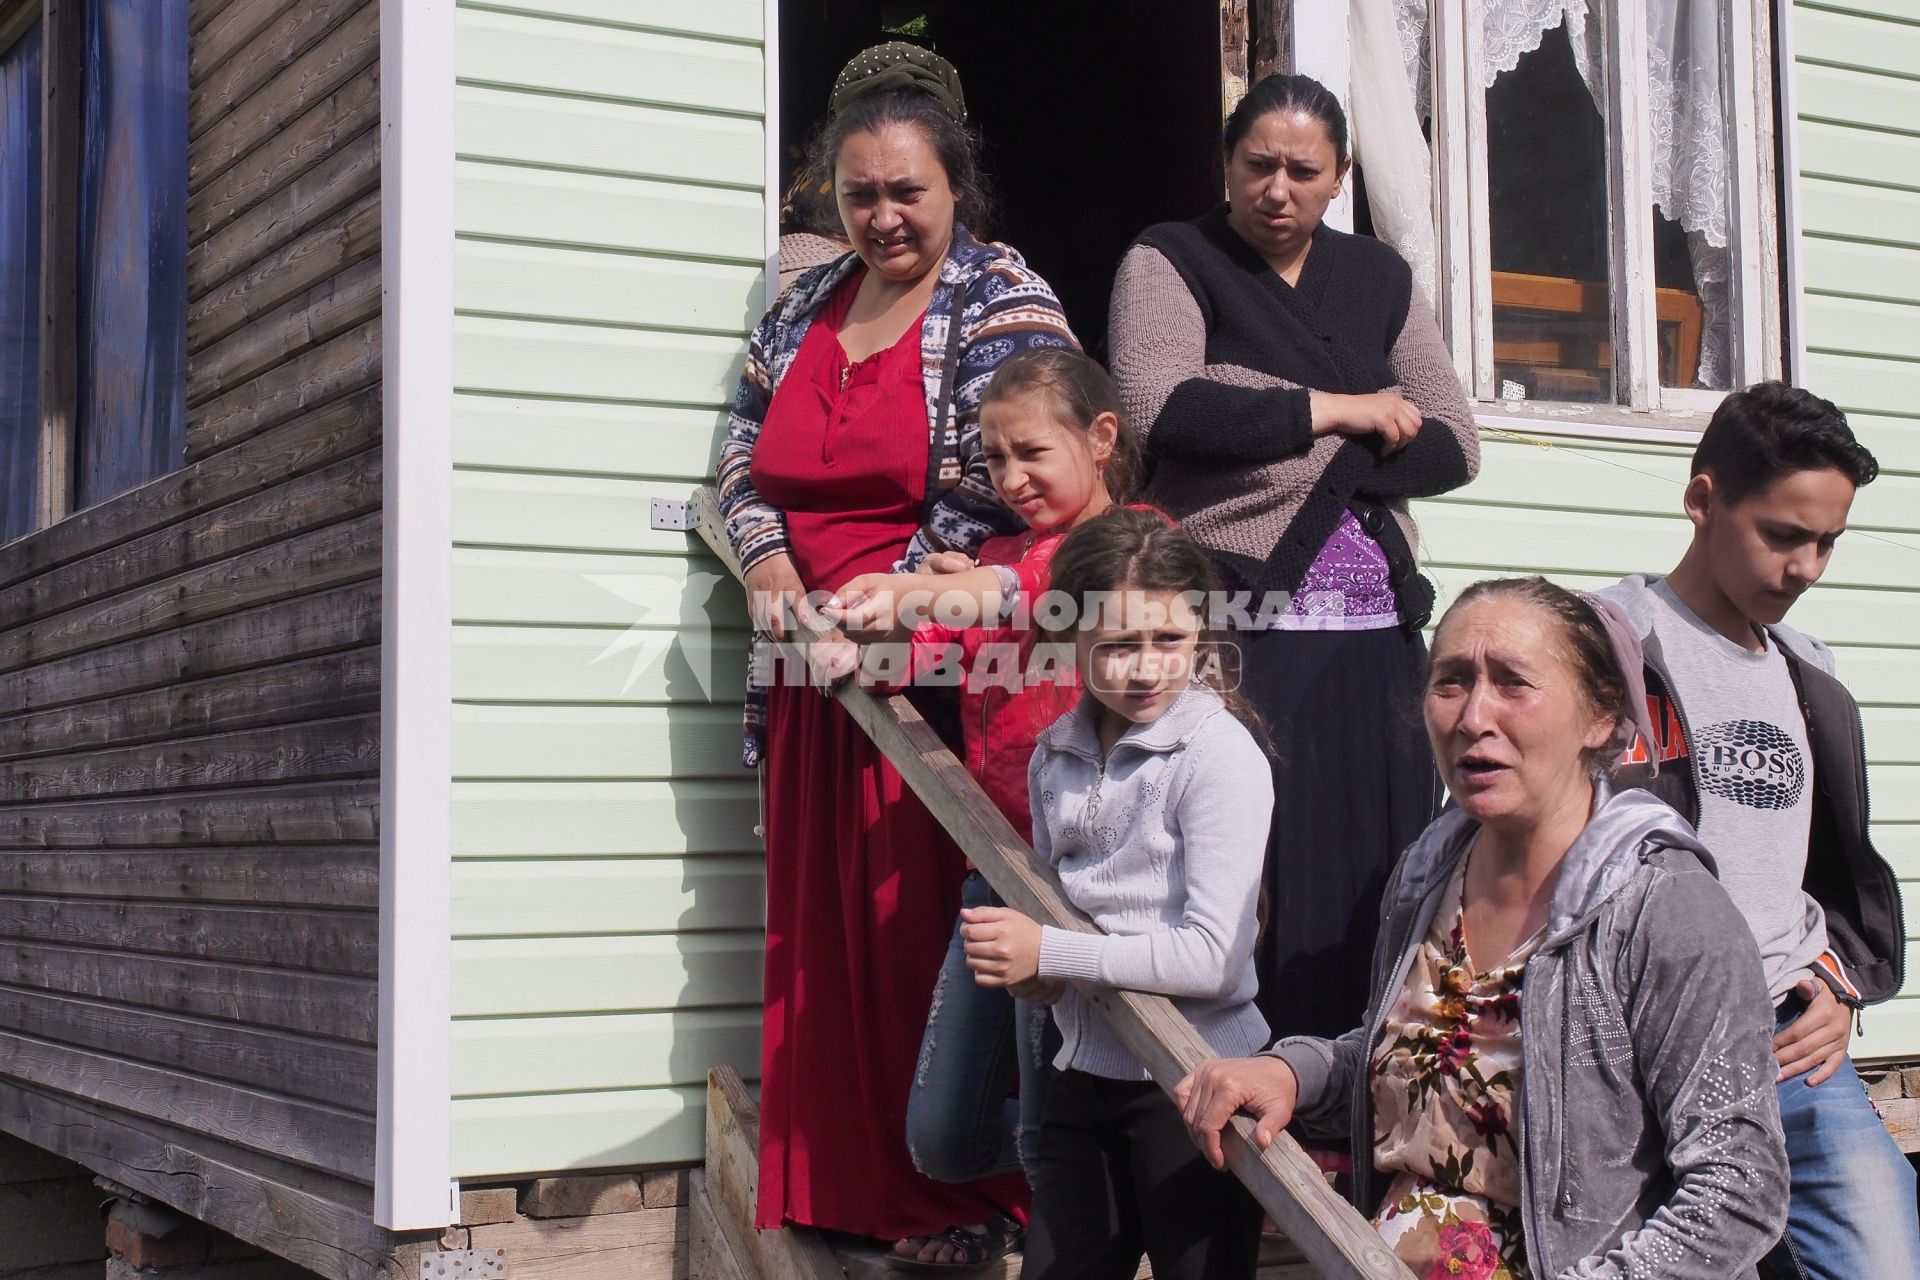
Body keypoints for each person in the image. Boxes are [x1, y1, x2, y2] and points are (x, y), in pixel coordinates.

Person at [713, 41, 1077, 1244]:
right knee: (826, 948)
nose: (882, 217)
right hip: (811, 680)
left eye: (905, 192)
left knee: (913, 929)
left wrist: (909, 590)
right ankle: (849, 1195)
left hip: (927, 686)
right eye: (859, 194)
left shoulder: (999, 296)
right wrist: (766, 560)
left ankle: (966, 1192)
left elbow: (1029, 477)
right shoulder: (803, 306)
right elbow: (737, 457)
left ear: (953, 185)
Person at [1177, 577, 1791, 1279]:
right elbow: (1426, 1067)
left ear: (1601, 717)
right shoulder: (1428, 873)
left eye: (1513, 683)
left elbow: (1739, 1185)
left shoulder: (1661, 906)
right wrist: (1292, 1071)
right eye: (1452, 681)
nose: (1473, 716)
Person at [1107, 73, 1479, 1048]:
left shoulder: (1379, 279)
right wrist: (1349, 411)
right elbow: (1163, 409)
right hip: (1240, 627)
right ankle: (1244, 1119)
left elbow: (1452, 443)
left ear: (1340, 176)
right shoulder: (1173, 259)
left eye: (1304, 170)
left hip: (1379, 642)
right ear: (1226, 165)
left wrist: (1267, 414)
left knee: (1380, 879)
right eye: (1258, 164)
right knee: (1253, 870)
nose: (1279, 188)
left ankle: (1359, 1108)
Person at [815, 348, 1142, 1270]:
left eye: (1032, 452)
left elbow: (1027, 592)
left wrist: (926, 588)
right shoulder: (997, 551)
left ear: (1102, 438)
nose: (1012, 478)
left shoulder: (1132, 541)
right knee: (943, 1140)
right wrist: (871, 644)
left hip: (1084, 890)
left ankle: (1092, 1174)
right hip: (991, 875)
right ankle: (1094, 1160)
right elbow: (949, 646)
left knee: (1047, 1127)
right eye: (994, 461)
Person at [1596, 382, 1917, 1280]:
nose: (1808, 567)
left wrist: (1840, 980)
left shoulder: (1812, 670)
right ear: (1702, 501)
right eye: (1783, 535)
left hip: (1792, 1050)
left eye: (1828, 543)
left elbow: (1823, 868)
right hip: (1636, 1056)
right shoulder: (1599, 642)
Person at [956, 508, 1271, 1280]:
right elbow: (1069, 913)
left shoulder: (1217, 754)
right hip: (1083, 1076)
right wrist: (1038, 977)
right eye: (1118, 645)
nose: (1146, 668)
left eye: (1169, 640)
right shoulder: (1054, 754)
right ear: (1070, 641)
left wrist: (1051, 950)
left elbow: (1213, 960)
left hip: (1197, 1084)